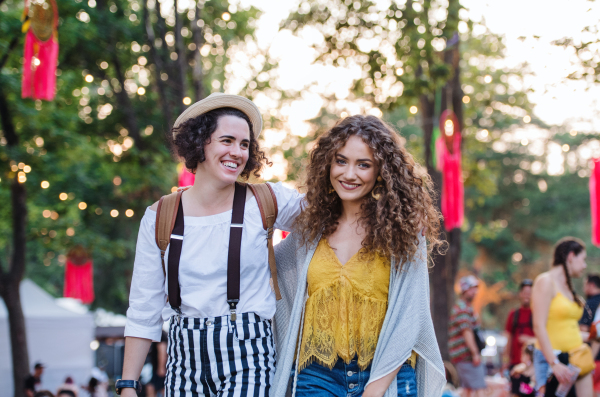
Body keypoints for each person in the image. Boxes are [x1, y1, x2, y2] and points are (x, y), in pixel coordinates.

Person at [120, 94, 303, 397]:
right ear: (200, 142)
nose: (237, 152)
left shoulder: (265, 200)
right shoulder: (160, 216)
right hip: (183, 358)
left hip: (249, 354)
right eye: (227, 140)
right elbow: (144, 307)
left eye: (244, 144)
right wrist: (128, 384)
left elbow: (328, 213)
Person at [270, 115, 446, 397]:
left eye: (363, 165)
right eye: (341, 161)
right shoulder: (309, 232)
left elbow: (409, 317)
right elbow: (262, 269)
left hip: (387, 376)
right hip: (317, 377)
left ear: (381, 172)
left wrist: (373, 391)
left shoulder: (404, 233)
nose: (349, 174)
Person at [531, 237, 592, 397]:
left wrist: (593, 335)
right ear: (571, 256)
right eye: (583, 259)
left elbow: (564, 328)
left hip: (578, 358)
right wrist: (554, 363)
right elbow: (539, 326)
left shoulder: (567, 287)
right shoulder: (545, 281)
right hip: (555, 361)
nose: (585, 265)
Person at [448, 275, 486, 397]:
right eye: (471, 288)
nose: (475, 292)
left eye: (476, 288)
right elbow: (466, 332)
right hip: (467, 356)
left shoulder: (463, 307)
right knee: (480, 388)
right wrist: (475, 353)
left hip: (462, 356)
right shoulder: (463, 308)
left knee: (467, 390)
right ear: (464, 290)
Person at [503, 280, 536, 375]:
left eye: (529, 293)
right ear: (520, 294)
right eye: (525, 293)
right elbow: (508, 337)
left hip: (532, 364)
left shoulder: (536, 314)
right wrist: (505, 360)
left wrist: (529, 340)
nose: (527, 296)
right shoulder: (513, 314)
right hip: (515, 362)